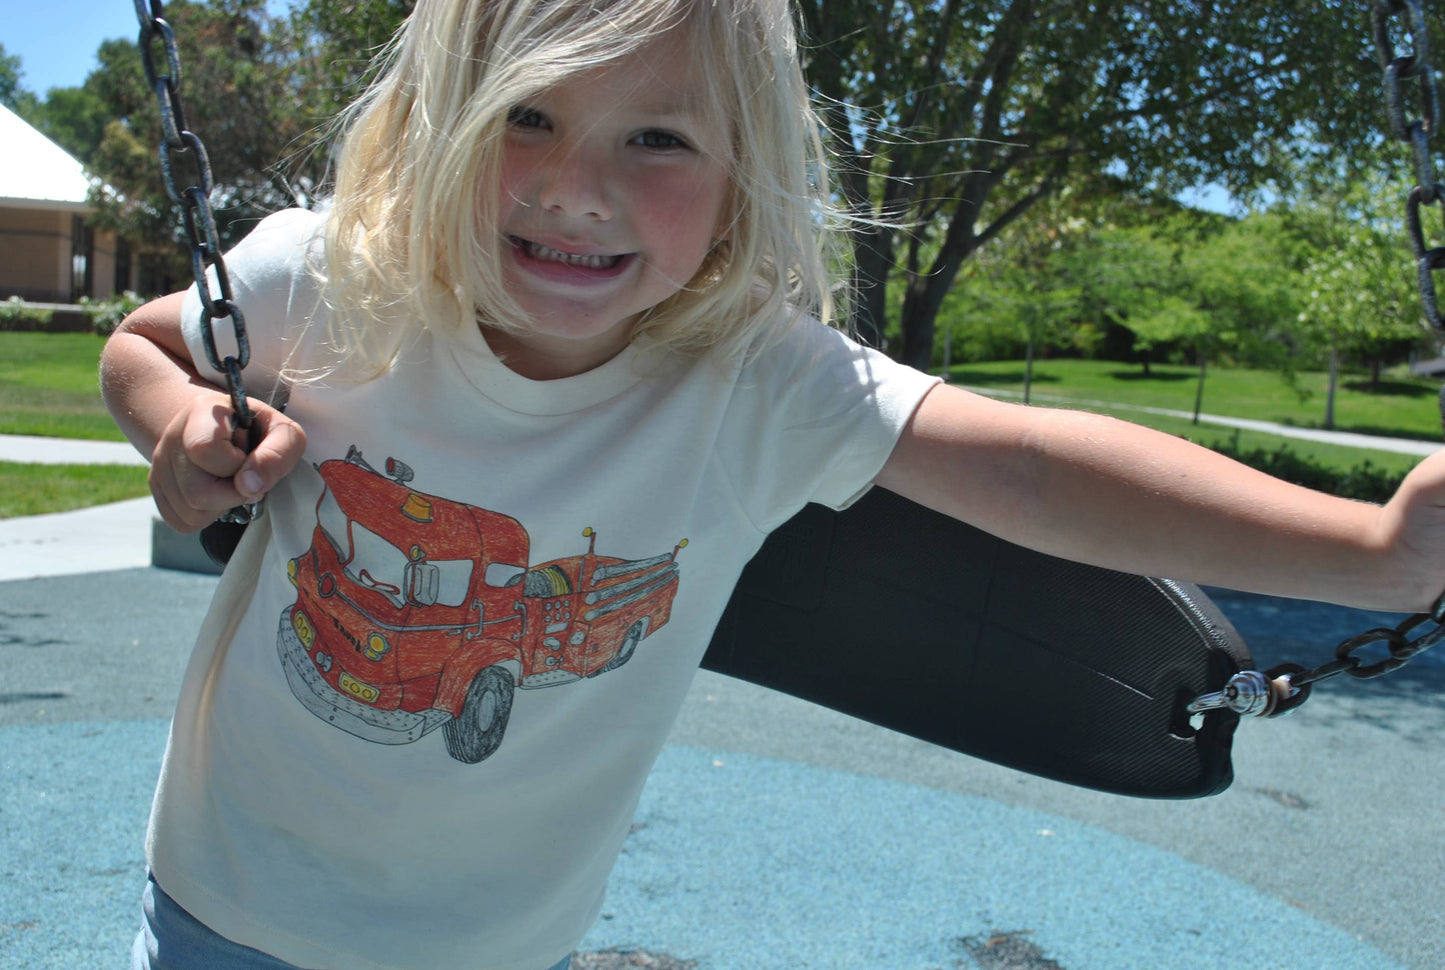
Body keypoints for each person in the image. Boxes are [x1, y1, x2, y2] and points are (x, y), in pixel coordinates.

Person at [101, 0, 1445, 967]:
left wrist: (1377, 548)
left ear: (742, 171)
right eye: (529, 116)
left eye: (657, 141)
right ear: (439, 118)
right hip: (230, 907)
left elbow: (1029, 472)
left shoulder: (746, 379)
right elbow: (143, 341)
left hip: (502, 944)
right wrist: (174, 428)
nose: (576, 189)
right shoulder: (337, 277)